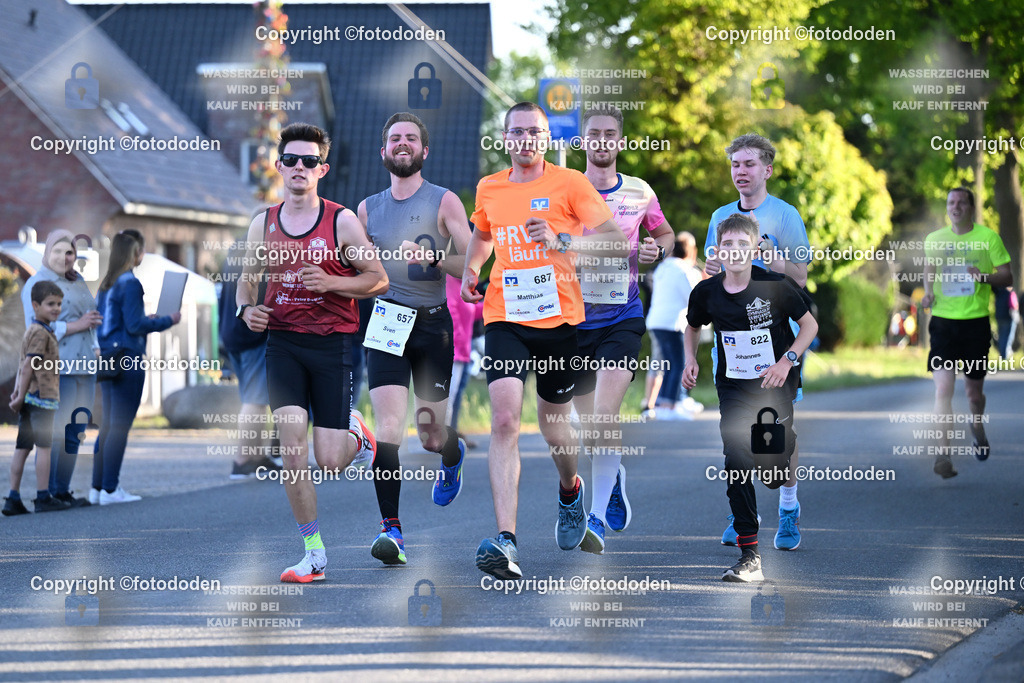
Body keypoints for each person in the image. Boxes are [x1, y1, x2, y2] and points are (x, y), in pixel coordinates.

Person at [461, 101, 627, 579]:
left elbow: (615, 242)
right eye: (518, 133)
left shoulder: (570, 183)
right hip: (505, 315)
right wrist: (472, 269)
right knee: (506, 420)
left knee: (555, 428)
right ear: (506, 139)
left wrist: (562, 240)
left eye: (535, 132)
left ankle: (570, 487)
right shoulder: (489, 186)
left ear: (546, 137)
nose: (526, 140)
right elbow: (483, 236)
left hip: (559, 321)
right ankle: (506, 540)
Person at [237, 122, 387, 582]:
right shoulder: (262, 222)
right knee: (291, 450)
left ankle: (357, 436)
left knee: (330, 460)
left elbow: (377, 278)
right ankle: (314, 553)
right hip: (282, 343)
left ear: (322, 169)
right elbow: (247, 279)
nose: (298, 168)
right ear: (279, 166)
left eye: (308, 161)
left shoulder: (340, 220)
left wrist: (332, 282)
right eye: (290, 160)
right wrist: (247, 309)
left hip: (334, 344)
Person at [355, 112, 473, 565]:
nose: (402, 144)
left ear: (424, 151)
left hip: (431, 325)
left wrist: (437, 258)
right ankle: (392, 531)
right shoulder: (366, 210)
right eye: (394, 139)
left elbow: (475, 265)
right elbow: (353, 265)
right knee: (389, 429)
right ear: (383, 151)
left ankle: (452, 451)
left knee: (428, 433)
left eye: (410, 138)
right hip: (386, 323)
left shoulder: (445, 202)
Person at [683, 213, 817, 582]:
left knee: (773, 473)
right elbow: (692, 325)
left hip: (775, 387)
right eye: (728, 244)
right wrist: (690, 359)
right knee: (736, 459)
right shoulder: (706, 292)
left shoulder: (775, 286)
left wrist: (787, 361)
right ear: (718, 249)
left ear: (755, 248)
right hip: (733, 389)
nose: (736, 251)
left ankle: (781, 465)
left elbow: (809, 325)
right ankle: (750, 555)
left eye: (744, 244)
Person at [570, 106, 675, 555]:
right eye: (593, 134)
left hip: (622, 314)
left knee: (603, 418)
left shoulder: (640, 191)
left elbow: (666, 235)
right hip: (569, 320)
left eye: (610, 134)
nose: (602, 141)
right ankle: (613, 478)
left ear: (620, 141)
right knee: (584, 423)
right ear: (583, 141)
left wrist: (657, 249)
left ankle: (595, 518)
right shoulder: (564, 188)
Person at [704, 133, 811, 552]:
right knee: (735, 438)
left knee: (774, 442)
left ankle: (788, 507)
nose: (740, 172)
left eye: (749, 164)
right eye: (735, 165)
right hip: (732, 349)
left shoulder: (785, 216)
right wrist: (710, 267)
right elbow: (714, 278)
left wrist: (770, 257)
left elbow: (800, 278)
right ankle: (743, 515)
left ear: (767, 169)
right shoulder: (719, 216)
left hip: (776, 348)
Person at [922, 187, 1012, 477]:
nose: (956, 206)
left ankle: (977, 425)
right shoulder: (935, 240)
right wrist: (927, 294)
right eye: (951, 202)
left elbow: (1007, 275)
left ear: (972, 207)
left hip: (975, 324)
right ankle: (943, 455)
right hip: (943, 325)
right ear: (946, 207)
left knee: (974, 395)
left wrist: (983, 277)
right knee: (943, 390)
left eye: (962, 202)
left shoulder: (988, 238)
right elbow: (929, 270)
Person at [93, 230, 180, 505]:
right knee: (119, 426)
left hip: (107, 356)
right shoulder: (130, 283)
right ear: (134, 254)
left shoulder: (106, 284)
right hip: (128, 358)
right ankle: (111, 489)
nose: (142, 255)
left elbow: (122, 321)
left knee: (107, 425)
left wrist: (145, 318)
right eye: (141, 251)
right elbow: (134, 326)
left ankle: (97, 489)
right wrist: (167, 320)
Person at [21, 230, 102, 507]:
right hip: (59, 368)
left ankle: (63, 490)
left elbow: (89, 317)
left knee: (75, 429)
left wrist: (95, 344)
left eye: (69, 252)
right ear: (47, 252)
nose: (64, 257)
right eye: (58, 251)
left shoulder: (78, 280)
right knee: (58, 428)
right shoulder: (37, 283)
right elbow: (33, 328)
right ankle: (50, 491)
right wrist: (76, 326)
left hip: (86, 366)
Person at [218, 239, 282, 479]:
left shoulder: (234, 251)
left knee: (251, 396)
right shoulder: (261, 252)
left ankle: (255, 457)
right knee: (255, 400)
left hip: (230, 332)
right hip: (251, 334)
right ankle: (242, 460)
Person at [4, 281, 68, 514]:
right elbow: (30, 364)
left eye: (59, 304)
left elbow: (23, 365)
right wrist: (19, 396)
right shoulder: (41, 333)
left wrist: (19, 392)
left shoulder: (32, 330)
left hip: (30, 398)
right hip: (42, 399)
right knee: (44, 447)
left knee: (22, 448)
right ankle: (43, 496)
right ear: (35, 305)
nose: (56, 308)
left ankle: (13, 497)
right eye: (51, 304)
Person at [645, 232, 705, 421]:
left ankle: (665, 404)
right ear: (690, 252)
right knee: (676, 364)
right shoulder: (684, 270)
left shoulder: (663, 267)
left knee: (668, 364)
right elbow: (694, 297)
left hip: (656, 321)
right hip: (671, 324)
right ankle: (669, 407)